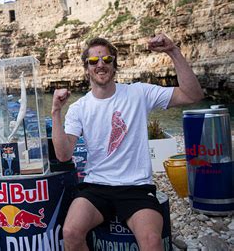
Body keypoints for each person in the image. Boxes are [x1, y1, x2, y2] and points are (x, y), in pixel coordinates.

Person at [51, 35, 203, 251]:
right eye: (93, 61)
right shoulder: (79, 108)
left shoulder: (138, 93)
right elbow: (64, 155)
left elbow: (192, 95)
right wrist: (56, 111)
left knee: (151, 241)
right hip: (96, 186)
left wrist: (173, 51)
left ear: (115, 65)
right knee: (70, 233)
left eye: (107, 59)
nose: (100, 65)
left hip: (136, 187)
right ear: (86, 68)